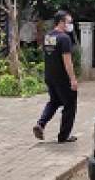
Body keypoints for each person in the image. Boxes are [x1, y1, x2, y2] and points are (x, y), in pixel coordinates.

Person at [33, 11, 78, 143]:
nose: (71, 25)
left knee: (54, 101)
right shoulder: (64, 38)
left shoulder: (48, 36)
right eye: (69, 22)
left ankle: (40, 124)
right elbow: (67, 61)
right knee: (70, 105)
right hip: (62, 78)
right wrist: (73, 79)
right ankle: (63, 136)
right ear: (61, 22)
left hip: (50, 76)